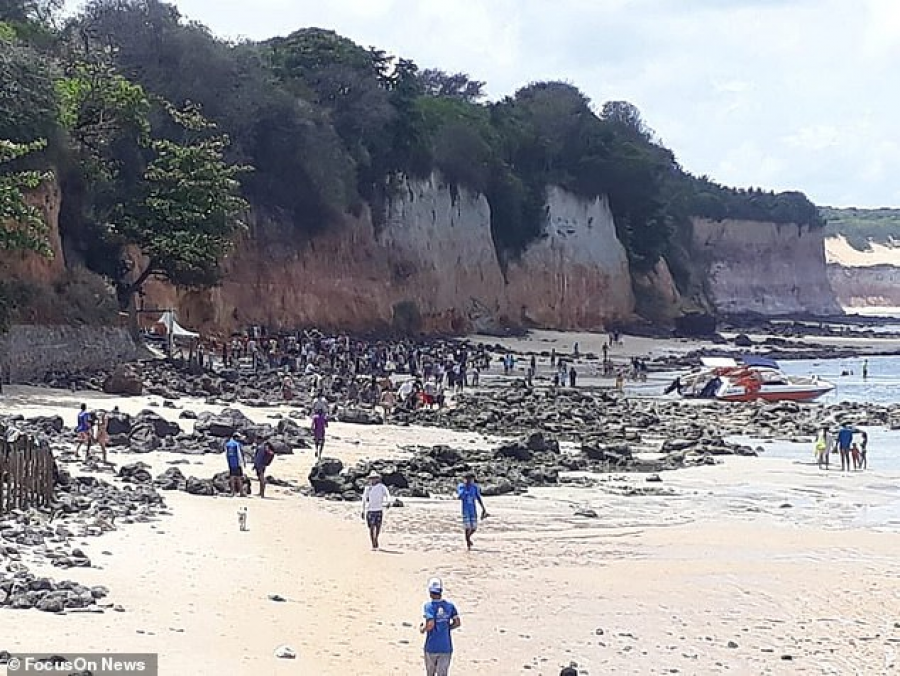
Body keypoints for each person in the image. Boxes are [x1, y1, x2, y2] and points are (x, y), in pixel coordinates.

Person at [420, 577, 460, 676]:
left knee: (430, 673)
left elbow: (430, 624)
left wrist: (422, 629)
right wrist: (447, 628)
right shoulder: (450, 606)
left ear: (430, 592)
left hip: (432, 646)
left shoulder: (428, 606)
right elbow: (457, 622)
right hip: (446, 646)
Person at [457, 472, 488, 550]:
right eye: (467, 479)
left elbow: (478, 497)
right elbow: (460, 496)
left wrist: (483, 508)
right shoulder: (461, 486)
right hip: (465, 510)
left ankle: (468, 538)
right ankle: (468, 542)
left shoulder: (475, 487)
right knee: (467, 527)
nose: (469, 481)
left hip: (473, 509)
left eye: (471, 479)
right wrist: (466, 489)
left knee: (474, 528)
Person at [361, 471, 391, 550]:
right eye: (371, 478)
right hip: (370, 510)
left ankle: (376, 538)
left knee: (378, 527)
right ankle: (373, 544)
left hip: (379, 510)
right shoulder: (368, 488)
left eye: (374, 478)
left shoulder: (382, 487)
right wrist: (363, 510)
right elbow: (364, 499)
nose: (373, 480)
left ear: (377, 479)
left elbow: (387, 495)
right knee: (371, 527)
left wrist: (388, 502)